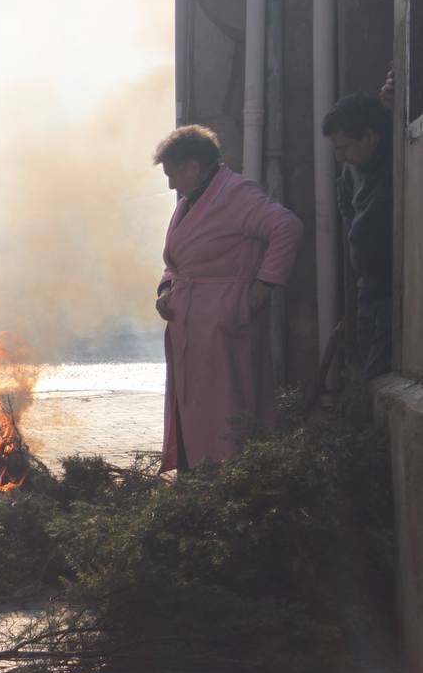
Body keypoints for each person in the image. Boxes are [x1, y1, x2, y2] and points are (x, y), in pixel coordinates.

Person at [153, 125, 304, 473]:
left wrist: (262, 288)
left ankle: (226, 484)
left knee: (225, 408)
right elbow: (177, 262)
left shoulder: (236, 195)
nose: (171, 184)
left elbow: (287, 228)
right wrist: (165, 290)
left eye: (172, 174)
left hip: (223, 321)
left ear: (193, 166)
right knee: (192, 408)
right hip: (191, 322)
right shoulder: (192, 202)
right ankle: (197, 480)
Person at [323, 93, 393, 380]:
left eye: (344, 148)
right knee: (369, 364)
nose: (340, 158)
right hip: (368, 286)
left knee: (379, 370)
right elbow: (346, 201)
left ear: (369, 137)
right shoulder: (353, 169)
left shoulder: (397, 165)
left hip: (396, 287)